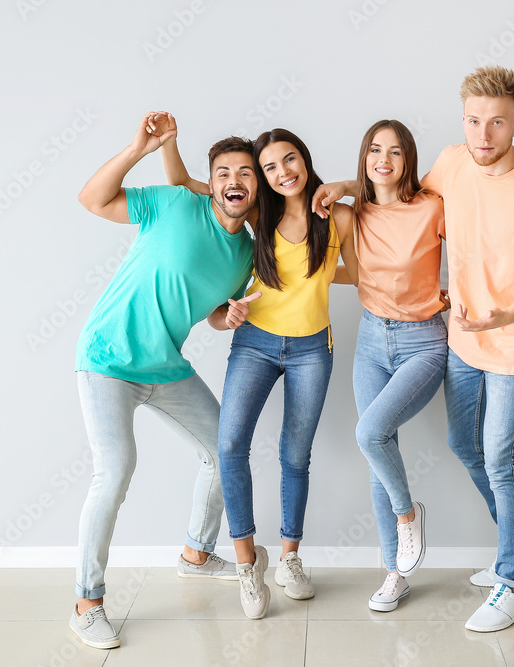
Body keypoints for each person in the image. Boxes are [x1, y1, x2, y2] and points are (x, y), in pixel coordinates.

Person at [314, 66, 514, 632]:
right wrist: (341, 185)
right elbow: (396, 189)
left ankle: (513, 584)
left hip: (513, 348)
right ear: (464, 120)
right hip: (459, 340)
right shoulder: (455, 162)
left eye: (497, 123)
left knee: (503, 461)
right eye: (474, 121)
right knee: (465, 445)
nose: (483, 135)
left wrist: (508, 312)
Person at [70, 111, 260, 649]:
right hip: (108, 357)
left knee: (226, 449)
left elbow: (214, 313)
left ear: (255, 185)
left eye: (245, 174)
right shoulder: (176, 203)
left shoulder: (247, 251)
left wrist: (231, 317)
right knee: (115, 470)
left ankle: (197, 554)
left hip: (165, 365)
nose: (233, 182)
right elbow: (93, 199)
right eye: (223, 172)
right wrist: (139, 149)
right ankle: (87, 602)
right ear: (211, 179)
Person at [164, 125, 357, 620]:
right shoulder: (257, 210)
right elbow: (186, 184)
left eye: (288, 160)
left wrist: (315, 267)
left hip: (314, 348)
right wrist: (167, 143)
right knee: (229, 445)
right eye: (269, 167)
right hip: (255, 344)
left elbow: (355, 272)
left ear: (304, 159)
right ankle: (248, 565)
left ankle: (290, 560)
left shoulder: (337, 214)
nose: (281, 172)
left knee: (296, 454)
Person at [333, 120, 447, 612]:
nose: (384, 159)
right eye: (375, 150)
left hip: (423, 342)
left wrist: (460, 296)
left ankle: (407, 516)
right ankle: (395, 574)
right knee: (380, 453)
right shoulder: (351, 212)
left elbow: (476, 252)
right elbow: (345, 271)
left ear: (409, 160)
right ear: (364, 157)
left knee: (369, 433)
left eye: (395, 152)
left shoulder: (432, 207)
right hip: (370, 341)